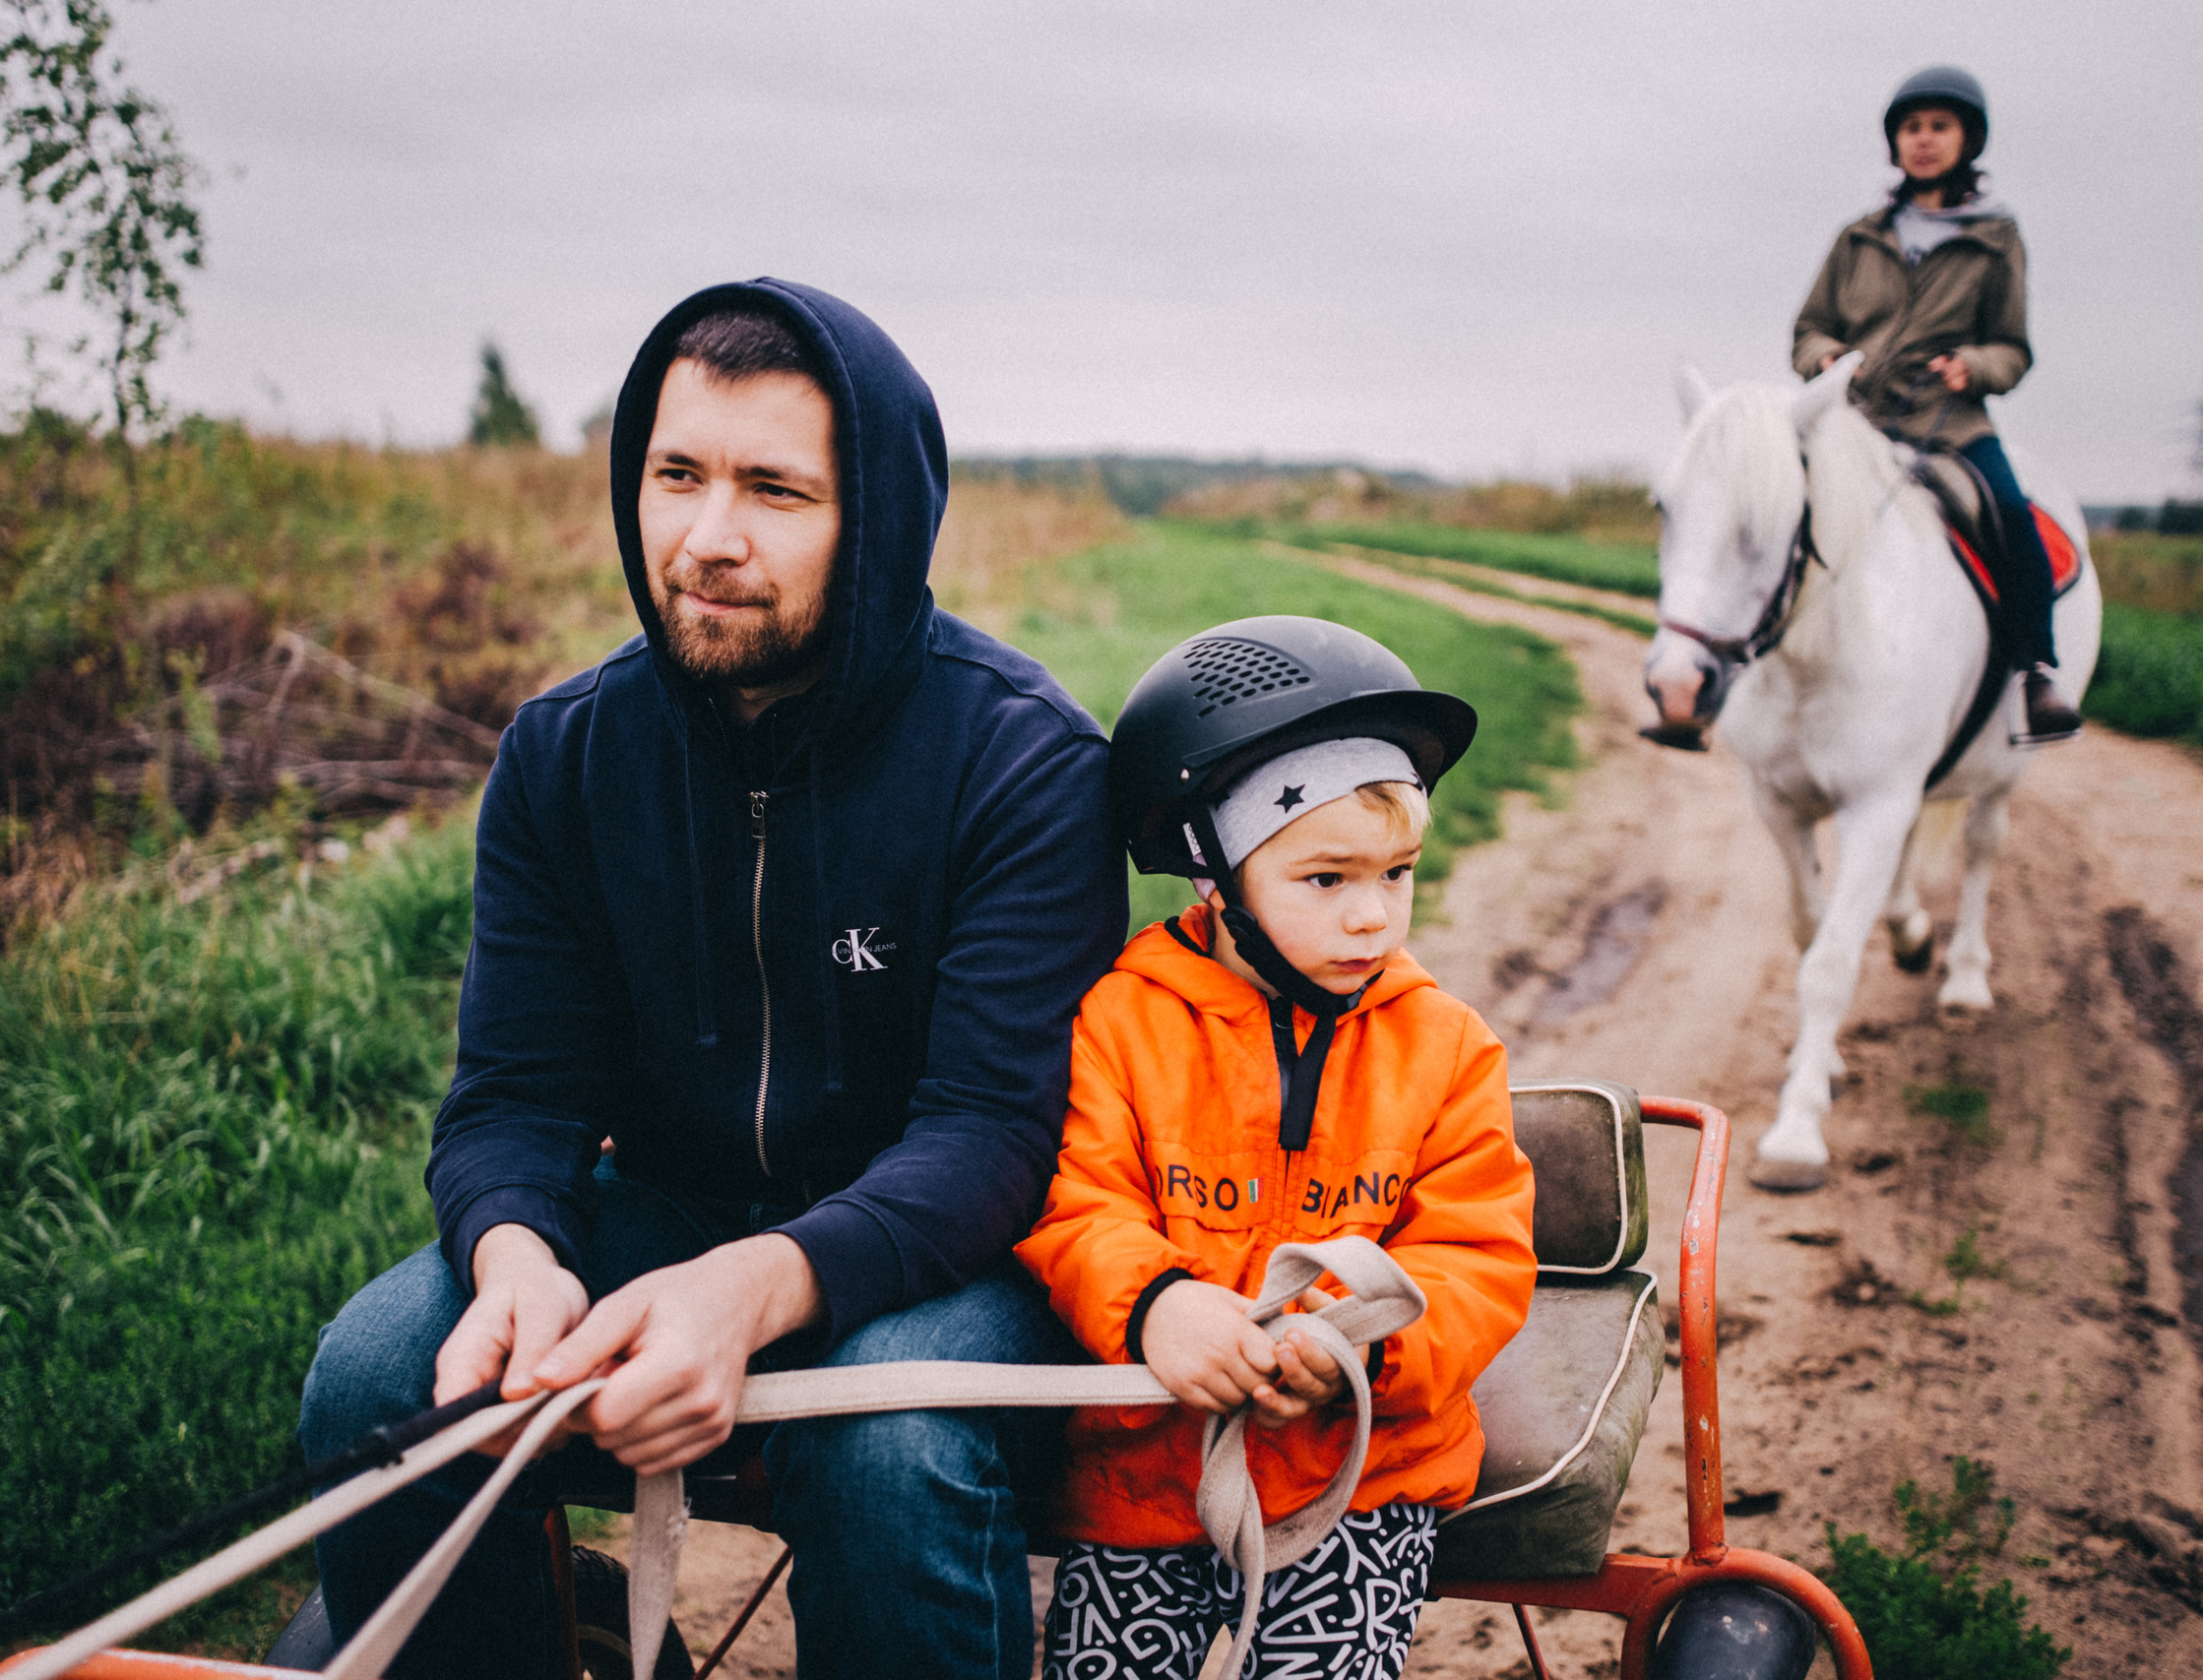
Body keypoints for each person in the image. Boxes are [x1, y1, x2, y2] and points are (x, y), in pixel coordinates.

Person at [296, 280, 1129, 1680]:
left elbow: (995, 1134)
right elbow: (514, 1093)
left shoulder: (1024, 760)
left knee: (887, 1437)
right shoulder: (566, 752)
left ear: (876, 521)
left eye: (775, 490)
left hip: (937, 1252)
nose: (709, 536)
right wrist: (517, 1256)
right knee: (380, 1375)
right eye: (676, 474)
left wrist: (749, 1289)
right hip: (668, 1206)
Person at [1014, 617, 1538, 1680]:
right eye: (1326, 881)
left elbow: (1477, 1260)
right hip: (1143, 1471)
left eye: (1397, 875)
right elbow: (1075, 1205)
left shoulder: (1445, 1048)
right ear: (1213, 875)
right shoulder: (1121, 1023)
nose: (1373, 922)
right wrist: (1156, 1304)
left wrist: (1363, 1352)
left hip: (1361, 1470)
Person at [1793, 64, 2083, 742]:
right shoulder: (1857, 236)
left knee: (2010, 513)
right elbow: (1808, 329)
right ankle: (1744, 659)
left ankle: (2035, 668)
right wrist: (1824, 358)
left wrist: (1975, 366)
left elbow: (2013, 348)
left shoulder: (1995, 238)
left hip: (1950, 425)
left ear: (1967, 140)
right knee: (1777, 505)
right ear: (1894, 142)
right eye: (1911, 127)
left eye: (1939, 127)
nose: (1923, 140)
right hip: (1855, 421)